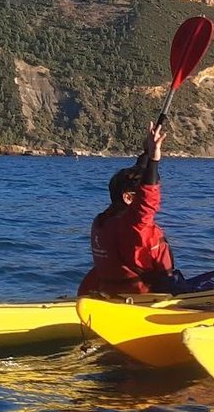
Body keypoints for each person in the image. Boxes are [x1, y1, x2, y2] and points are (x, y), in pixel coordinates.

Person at [79, 124, 194, 296]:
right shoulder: (136, 225)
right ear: (128, 197)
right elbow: (148, 199)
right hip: (145, 298)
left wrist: (147, 152)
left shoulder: (102, 221)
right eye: (137, 194)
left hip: (113, 292)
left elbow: (135, 179)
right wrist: (154, 160)